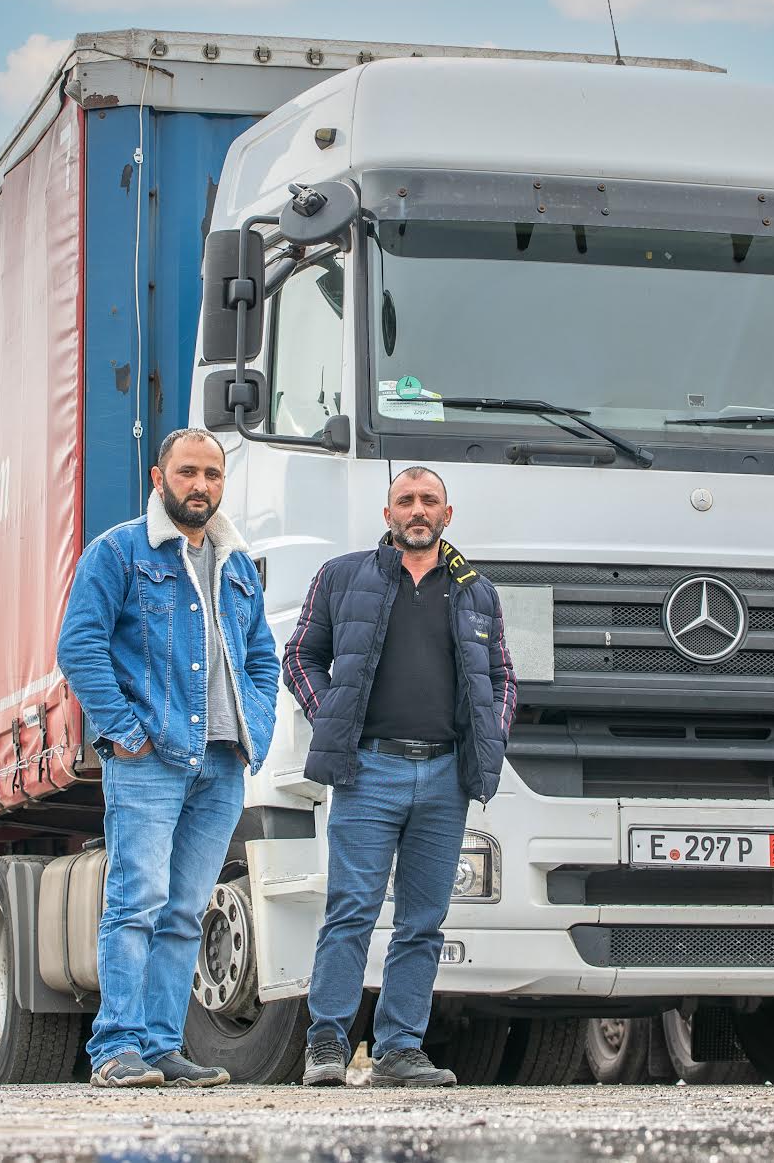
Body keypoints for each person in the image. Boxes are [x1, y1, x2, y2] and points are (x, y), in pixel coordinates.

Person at [56, 428, 280, 1088]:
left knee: (185, 911)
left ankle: (160, 1046)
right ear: (160, 478)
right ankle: (116, 1046)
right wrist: (126, 731)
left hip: (220, 765)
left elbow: (262, 658)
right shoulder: (121, 553)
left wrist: (253, 731)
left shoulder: (237, 565)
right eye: (188, 471)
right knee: (137, 902)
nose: (201, 484)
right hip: (150, 761)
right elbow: (79, 645)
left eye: (212, 473)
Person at [283, 466, 517, 1088]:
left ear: (448, 512)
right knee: (351, 910)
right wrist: (330, 714)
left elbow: (503, 680)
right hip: (369, 771)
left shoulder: (477, 592)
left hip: (445, 778)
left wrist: (491, 734)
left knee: (422, 922)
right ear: (387, 513)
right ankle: (327, 1044)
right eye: (405, 500)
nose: (418, 510)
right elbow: (300, 655)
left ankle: (399, 1049)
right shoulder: (342, 577)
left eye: (429, 501)